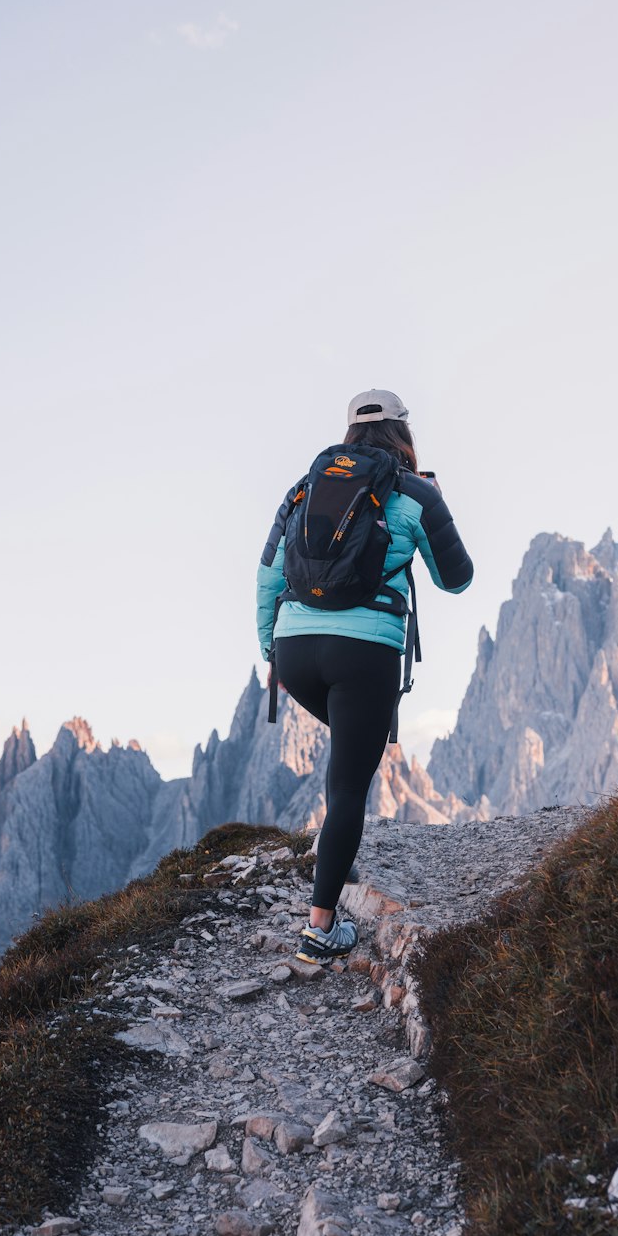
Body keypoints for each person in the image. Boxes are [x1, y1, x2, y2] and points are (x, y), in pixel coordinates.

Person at [256, 388, 473, 963]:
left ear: (349, 434)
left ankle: (336, 852)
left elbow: (269, 575)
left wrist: (270, 652)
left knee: (346, 761)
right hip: (364, 655)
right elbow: (457, 578)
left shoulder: (305, 487)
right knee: (350, 784)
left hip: (297, 654)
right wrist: (435, 506)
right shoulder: (415, 493)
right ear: (405, 434)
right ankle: (320, 929)